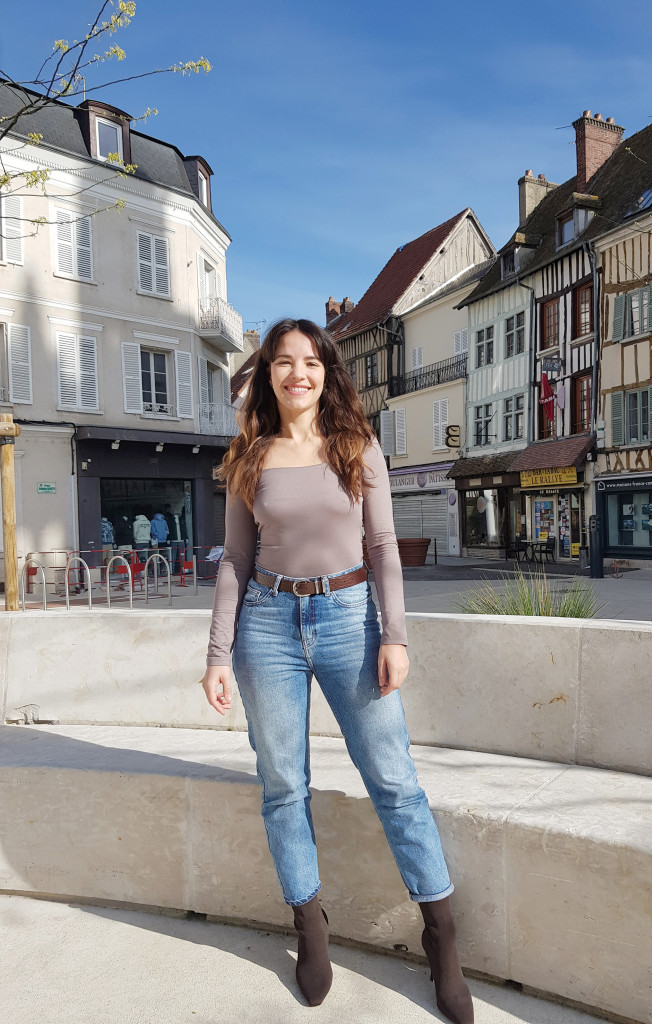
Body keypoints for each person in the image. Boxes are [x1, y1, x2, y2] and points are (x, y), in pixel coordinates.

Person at [201, 318, 473, 1022]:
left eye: (311, 362)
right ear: (266, 375)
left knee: (394, 781)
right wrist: (217, 654)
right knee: (283, 784)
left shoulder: (358, 444)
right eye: (283, 362)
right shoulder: (248, 456)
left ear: (327, 372)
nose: (299, 373)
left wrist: (396, 636)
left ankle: (442, 936)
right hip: (267, 622)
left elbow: (383, 545)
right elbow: (233, 560)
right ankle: (309, 928)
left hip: (350, 619)